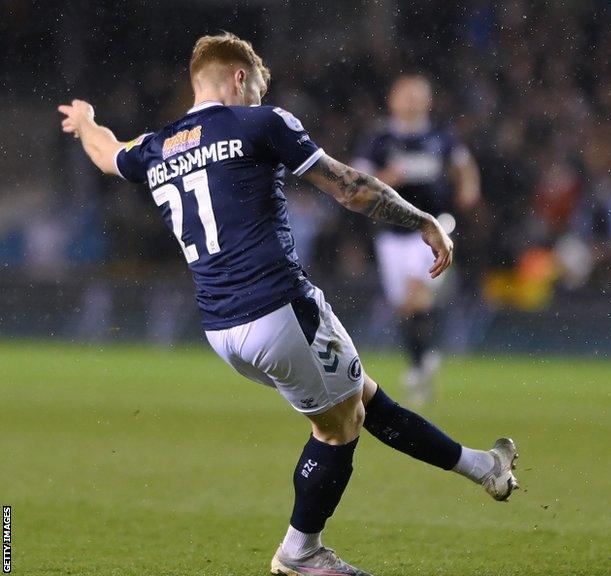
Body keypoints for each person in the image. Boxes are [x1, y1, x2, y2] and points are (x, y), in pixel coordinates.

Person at [58, 32, 517, 576]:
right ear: (237, 78)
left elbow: (108, 154)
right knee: (339, 427)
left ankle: (483, 467)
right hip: (278, 308)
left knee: (361, 395)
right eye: (255, 86)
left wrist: (86, 122)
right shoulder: (261, 122)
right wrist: (421, 219)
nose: (257, 96)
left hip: (222, 328)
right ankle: (301, 552)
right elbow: (349, 187)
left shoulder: (159, 146)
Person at [352, 75, 481, 406]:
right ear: (393, 99)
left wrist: (468, 188)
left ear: (428, 100)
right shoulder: (379, 139)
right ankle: (421, 360)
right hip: (392, 234)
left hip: (432, 228)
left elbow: (464, 165)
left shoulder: (440, 136)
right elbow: (355, 179)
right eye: (405, 95)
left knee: (418, 295)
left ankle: (419, 365)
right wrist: (385, 179)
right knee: (407, 307)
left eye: (417, 96)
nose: (411, 102)